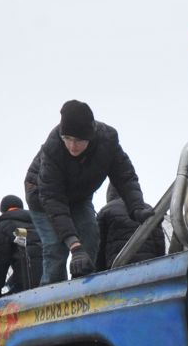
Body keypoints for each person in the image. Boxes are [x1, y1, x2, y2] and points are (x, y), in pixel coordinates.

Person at [24, 99, 151, 284]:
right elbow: (53, 200)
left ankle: (83, 283)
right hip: (42, 196)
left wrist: (137, 207)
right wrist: (74, 247)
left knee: (90, 232)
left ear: (90, 136)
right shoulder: (53, 148)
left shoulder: (108, 142)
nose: (72, 146)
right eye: (67, 139)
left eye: (79, 140)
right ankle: (51, 295)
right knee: (55, 247)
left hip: (78, 196)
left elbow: (125, 177)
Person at [97, 183, 166, 271]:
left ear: (110, 194)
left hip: (117, 270)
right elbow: (159, 242)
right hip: (149, 267)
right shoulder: (149, 209)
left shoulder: (105, 211)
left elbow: (99, 248)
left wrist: (100, 272)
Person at [0, 194, 42, 295]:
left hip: (26, 285)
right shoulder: (39, 223)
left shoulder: (2, 227)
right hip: (53, 278)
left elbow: (0, 263)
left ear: (3, 211)